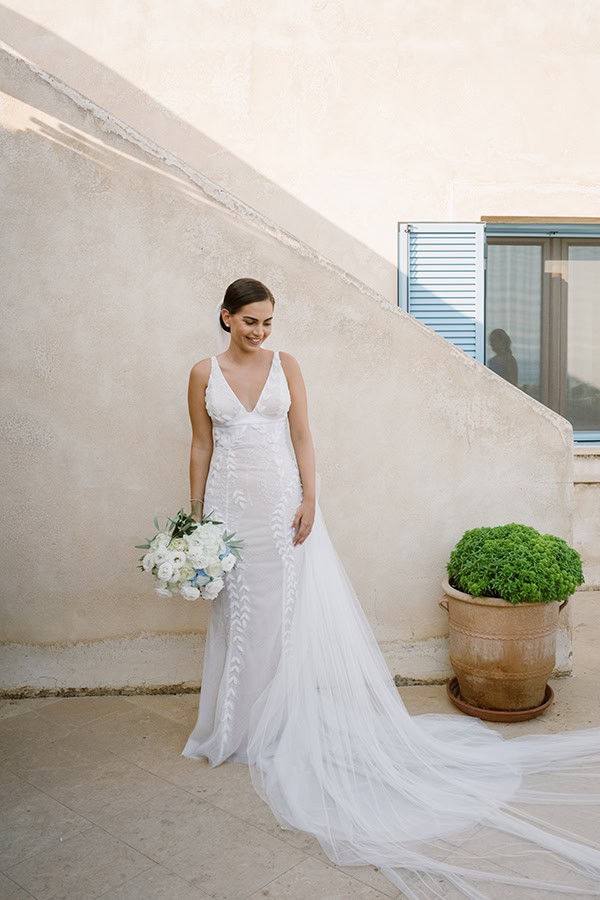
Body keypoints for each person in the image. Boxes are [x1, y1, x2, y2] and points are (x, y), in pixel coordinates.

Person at [182, 278, 600, 898]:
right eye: (250, 322)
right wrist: (194, 519)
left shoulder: (286, 366)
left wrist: (311, 501)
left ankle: (280, 724)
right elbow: (201, 443)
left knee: (283, 615)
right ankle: (235, 727)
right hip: (227, 509)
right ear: (225, 317)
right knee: (239, 616)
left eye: (268, 322)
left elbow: (302, 437)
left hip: (280, 507)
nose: (261, 332)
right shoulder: (201, 373)